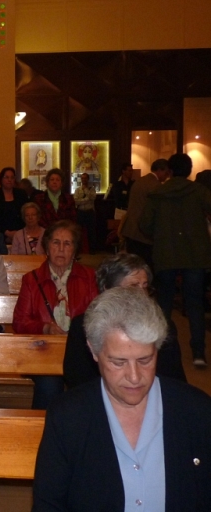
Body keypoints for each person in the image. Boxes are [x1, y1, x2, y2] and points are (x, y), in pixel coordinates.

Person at [33, 287, 211, 512]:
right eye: (118, 362)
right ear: (94, 351)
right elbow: (48, 505)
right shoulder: (68, 417)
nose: (134, 377)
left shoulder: (197, 411)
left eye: (145, 360)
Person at [63, 253, 186, 389]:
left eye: (145, 286)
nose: (142, 295)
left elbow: (176, 380)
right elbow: (77, 380)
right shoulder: (82, 327)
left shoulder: (162, 326)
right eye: (133, 287)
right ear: (108, 290)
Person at [12, 220, 98, 409]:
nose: (61, 249)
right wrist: (44, 327)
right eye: (55, 243)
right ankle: (45, 432)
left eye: (67, 243)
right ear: (47, 248)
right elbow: (20, 322)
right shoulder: (31, 280)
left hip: (80, 352)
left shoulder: (90, 277)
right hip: (44, 351)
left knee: (86, 385)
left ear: (74, 250)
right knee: (50, 384)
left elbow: (99, 319)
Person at [140, 152, 211, 367]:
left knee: (164, 302)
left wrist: (161, 235)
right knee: (195, 303)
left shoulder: (157, 193)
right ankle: (198, 352)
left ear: (169, 171)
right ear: (189, 170)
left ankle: (161, 349)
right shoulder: (200, 192)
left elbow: (144, 225)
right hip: (195, 255)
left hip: (166, 252)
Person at [121, 158, 170, 270]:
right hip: (143, 234)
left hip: (130, 229)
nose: (167, 177)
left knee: (132, 267)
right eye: (166, 173)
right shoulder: (156, 186)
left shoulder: (139, 181)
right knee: (145, 268)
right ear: (160, 170)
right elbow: (155, 212)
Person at [0, 166, 28, 242]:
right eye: (6, 177)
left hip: (20, 233)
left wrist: (17, 233)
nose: (9, 180)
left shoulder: (21, 194)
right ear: (1, 179)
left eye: (12, 177)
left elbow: (26, 214)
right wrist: (7, 233)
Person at [73, 172, 97, 253]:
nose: (83, 180)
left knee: (92, 232)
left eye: (85, 178)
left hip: (90, 212)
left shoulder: (92, 189)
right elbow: (76, 201)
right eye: (82, 178)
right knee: (78, 231)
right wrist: (86, 199)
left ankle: (93, 250)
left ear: (88, 179)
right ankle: (78, 249)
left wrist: (86, 193)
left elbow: (93, 198)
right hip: (80, 212)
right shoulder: (77, 190)